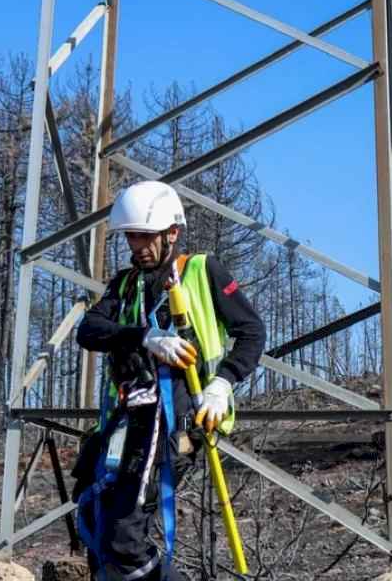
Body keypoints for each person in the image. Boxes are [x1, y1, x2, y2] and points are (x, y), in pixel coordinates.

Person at [73, 180, 266, 581]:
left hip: (177, 417)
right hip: (127, 417)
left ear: (172, 232)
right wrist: (143, 336)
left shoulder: (201, 271)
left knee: (125, 538)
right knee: (92, 515)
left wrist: (222, 384)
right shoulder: (124, 284)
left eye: (146, 236)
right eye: (131, 236)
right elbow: (89, 330)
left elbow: (252, 331)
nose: (137, 245)